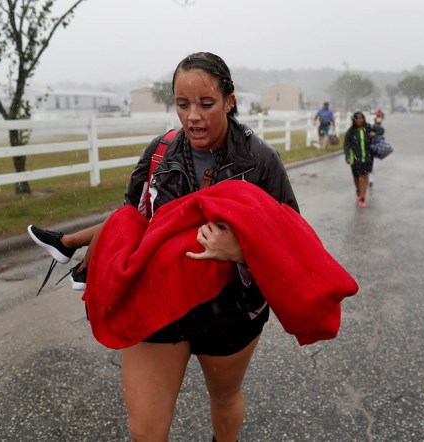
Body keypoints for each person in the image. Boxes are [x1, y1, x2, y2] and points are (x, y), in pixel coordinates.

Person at [33, 52, 299, 442]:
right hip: (156, 302)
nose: (193, 116)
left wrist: (240, 250)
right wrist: (96, 258)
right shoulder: (160, 151)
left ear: (230, 100)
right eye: (182, 104)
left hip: (230, 310)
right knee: (145, 430)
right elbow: (130, 218)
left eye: (206, 104)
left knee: (224, 400)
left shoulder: (261, 162)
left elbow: (293, 241)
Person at [344, 111, 374, 207]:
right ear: (354, 120)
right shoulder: (351, 132)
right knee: (356, 177)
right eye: (357, 118)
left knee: (364, 176)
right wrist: (348, 156)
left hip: (367, 158)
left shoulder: (368, 128)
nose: (359, 120)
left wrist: (374, 134)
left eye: (361, 118)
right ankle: (358, 190)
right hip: (355, 159)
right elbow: (346, 145)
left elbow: (380, 130)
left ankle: (362, 197)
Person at [368, 109, 385, 190]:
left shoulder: (371, 128)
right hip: (374, 148)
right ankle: (371, 179)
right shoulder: (381, 130)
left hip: (370, 148)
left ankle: (369, 179)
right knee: (372, 164)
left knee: (369, 163)